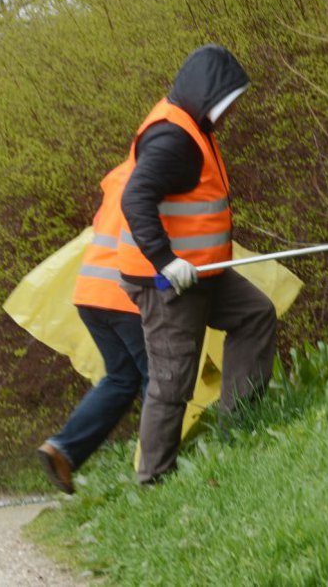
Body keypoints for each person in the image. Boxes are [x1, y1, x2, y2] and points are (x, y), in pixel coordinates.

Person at [117, 45, 277, 485]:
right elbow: (134, 198)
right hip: (165, 281)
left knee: (255, 314)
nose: (230, 114)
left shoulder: (193, 126)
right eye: (227, 104)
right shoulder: (173, 141)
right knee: (173, 380)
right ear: (209, 98)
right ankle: (153, 480)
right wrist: (166, 261)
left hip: (203, 274)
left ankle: (238, 425)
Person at [37, 162, 148, 494]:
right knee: (158, 378)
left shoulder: (120, 177)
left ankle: (63, 449)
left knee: (121, 379)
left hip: (90, 292)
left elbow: (100, 227)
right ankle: (157, 467)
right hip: (124, 294)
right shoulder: (163, 170)